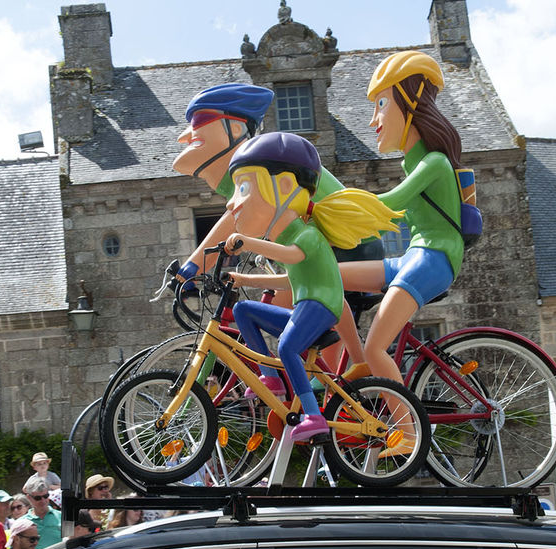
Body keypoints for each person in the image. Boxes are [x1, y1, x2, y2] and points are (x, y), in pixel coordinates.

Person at [170, 83, 380, 365]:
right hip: (327, 249)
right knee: (292, 325)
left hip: (347, 246)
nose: (186, 137)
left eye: (198, 123)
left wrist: (193, 268)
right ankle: (323, 390)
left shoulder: (256, 160)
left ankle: (327, 392)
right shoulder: (248, 163)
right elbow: (239, 218)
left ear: (234, 130)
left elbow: (234, 221)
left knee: (293, 329)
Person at [224, 131, 400, 441]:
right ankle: (271, 378)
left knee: (288, 346)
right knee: (243, 310)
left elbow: (291, 257)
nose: (231, 202)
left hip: (322, 306)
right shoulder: (289, 237)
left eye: (243, 187)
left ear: (285, 188)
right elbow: (289, 278)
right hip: (306, 305)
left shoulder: (306, 234)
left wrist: (248, 242)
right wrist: (245, 280)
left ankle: (313, 416)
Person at [336, 51, 470, 389]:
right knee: (329, 276)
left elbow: (391, 204)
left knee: (377, 347)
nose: (372, 120)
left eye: (381, 105)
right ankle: (354, 371)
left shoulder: (434, 162)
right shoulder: (412, 163)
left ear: (410, 104)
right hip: (413, 256)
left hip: (434, 259)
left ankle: (406, 436)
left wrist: (327, 211)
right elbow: (386, 216)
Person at [22, 478, 62, 549]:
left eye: (45, 496)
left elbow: (71, 541)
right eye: (38, 498)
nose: (43, 500)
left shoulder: (62, 516)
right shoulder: (22, 522)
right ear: (28, 498)